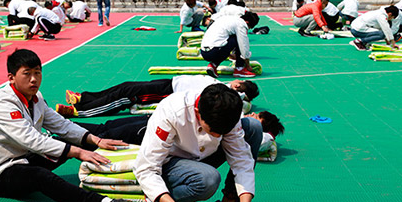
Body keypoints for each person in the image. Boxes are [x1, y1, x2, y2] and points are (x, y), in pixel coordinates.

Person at [0, 49, 129, 202]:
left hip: (24, 157)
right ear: (11, 78)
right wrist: (78, 152)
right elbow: (32, 140)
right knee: (41, 176)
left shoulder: (35, 97)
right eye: (27, 74)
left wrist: (96, 140)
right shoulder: (3, 104)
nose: (33, 79)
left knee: (71, 141)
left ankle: (125, 170)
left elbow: (61, 124)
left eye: (37, 73)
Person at [133, 84, 259, 202]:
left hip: (201, 156)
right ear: (198, 112)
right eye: (213, 132)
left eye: (222, 133)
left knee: (253, 127)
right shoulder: (172, 112)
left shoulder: (228, 110)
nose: (218, 135)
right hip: (171, 164)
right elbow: (145, 169)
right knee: (208, 179)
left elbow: (242, 160)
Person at [54, 75, 259, 118]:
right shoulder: (224, 85)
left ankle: (79, 111)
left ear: (241, 88)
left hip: (169, 92)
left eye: (238, 85)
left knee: (125, 97)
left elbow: (240, 109)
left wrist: (242, 98)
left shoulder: (231, 95)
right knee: (126, 85)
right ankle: (85, 98)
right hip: (171, 82)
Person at [201, 12, 260, 78]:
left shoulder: (228, 18)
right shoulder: (241, 24)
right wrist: (247, 64)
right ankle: (239, 69)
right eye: (249, 27)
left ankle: (213, 65)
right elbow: (244, 46)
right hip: (214, 51)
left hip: (204, 52)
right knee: (238, 39)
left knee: (227, 39)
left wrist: (228, 54)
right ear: (247, 22)